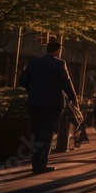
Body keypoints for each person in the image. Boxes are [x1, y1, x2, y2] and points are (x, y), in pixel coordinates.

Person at [18, 40, 79, 174]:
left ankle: (36, 164)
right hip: (52, 103)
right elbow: (66, 82)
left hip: (34, 102)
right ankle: (41, 165)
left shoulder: (34, 63)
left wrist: (33, 89)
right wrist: (74, 98)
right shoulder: (59, 63)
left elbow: (22, 80)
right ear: (58, 50)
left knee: (36, 132)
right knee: (46, 133)